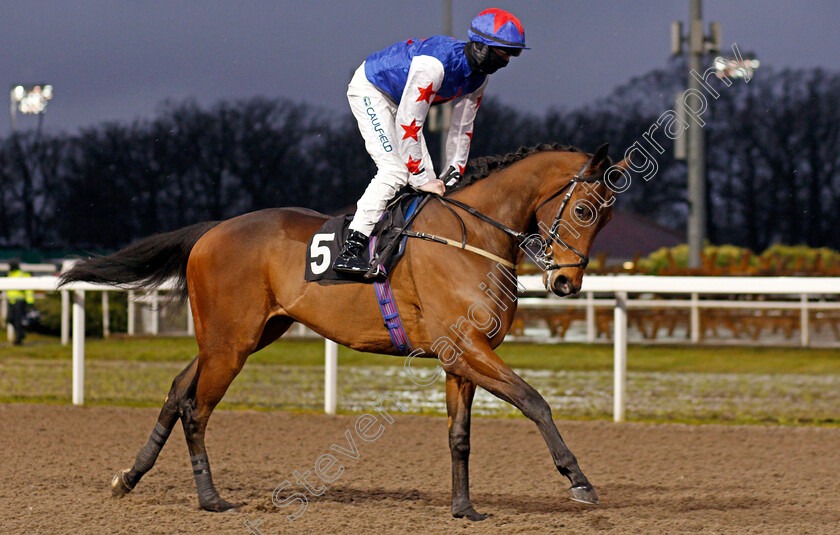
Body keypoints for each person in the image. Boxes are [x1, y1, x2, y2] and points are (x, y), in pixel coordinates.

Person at [332, 8, 528, 274]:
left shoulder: (479, 79)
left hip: (402, 103)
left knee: (433, 183)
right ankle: (350, 249)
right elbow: (408, 124)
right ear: (481, 47)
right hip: (372, 90)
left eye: (512, 53)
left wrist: (454, 171)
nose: (507, 59)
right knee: (395, 171)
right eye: (503, 51)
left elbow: (462, 128)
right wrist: (421, 177)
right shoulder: (433, 67)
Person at [6, 259, 34, 345]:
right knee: (10, 319)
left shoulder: (22, 274)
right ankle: (21, 334)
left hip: (19, 301)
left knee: (18, 321)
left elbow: (28, 289)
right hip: (11, 301)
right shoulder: (9, 274)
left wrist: (30, 301)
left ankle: (18, 339)